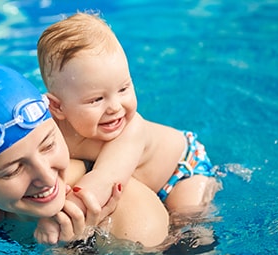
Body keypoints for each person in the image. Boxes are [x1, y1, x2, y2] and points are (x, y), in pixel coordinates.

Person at [0, 59, 169, 248]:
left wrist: (81, 246)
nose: (46, 177)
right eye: (13, 170)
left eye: (48, 145)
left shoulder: (134, 223)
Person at [35, 11, 225, 239]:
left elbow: (102, 181)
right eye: (97, 99)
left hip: (181, 171)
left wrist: (58, 219)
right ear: (57, 107)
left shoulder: (131, 130)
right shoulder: (48, 126)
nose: (115, 107)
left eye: (123, 88)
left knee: (190, 230)